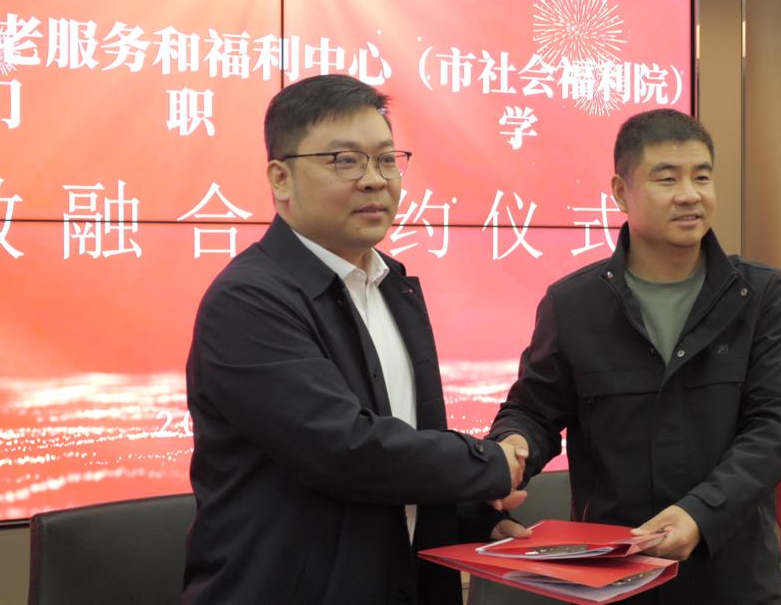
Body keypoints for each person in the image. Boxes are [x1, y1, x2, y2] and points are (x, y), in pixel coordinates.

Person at [183, 74, 529, 605]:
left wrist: (472, 516)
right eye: (345, 161)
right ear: (281, 178)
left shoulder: (392, 285)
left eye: (386, 160)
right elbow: (344, 449)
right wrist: (489, 465)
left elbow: (406, 438)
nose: (374, 180)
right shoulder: (248, 300)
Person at [489, 108, 781, 604]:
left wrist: (700, 512)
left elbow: (777, 424)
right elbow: (534, 411)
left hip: (730, 577)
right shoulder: (574, 304)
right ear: (621, 192)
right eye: (667, 178)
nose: (690, 194)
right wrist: (511, 449)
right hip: (612, 575)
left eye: (702, 176)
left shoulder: (758, 294)